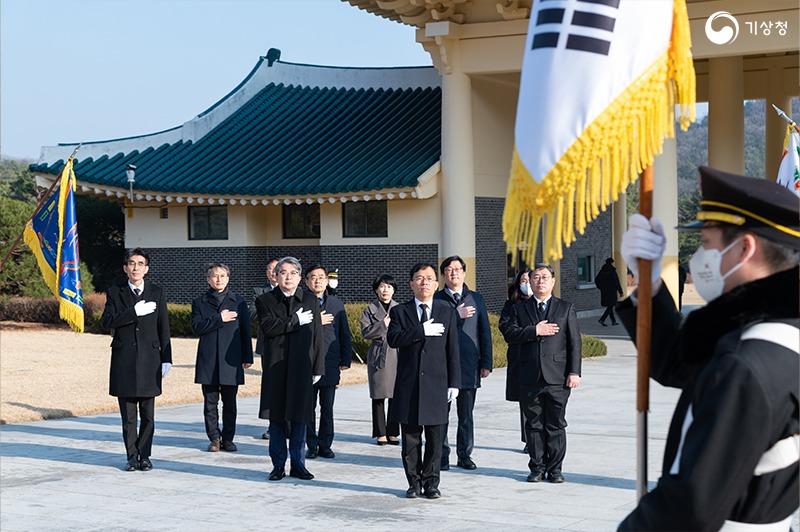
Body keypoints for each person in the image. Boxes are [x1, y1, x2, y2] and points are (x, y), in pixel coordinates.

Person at [616, 166, 799, 530]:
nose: (699, 259)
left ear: (745, 248)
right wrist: (650, 288)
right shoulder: (775, 328)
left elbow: (689, 509)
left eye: (707, 245)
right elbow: (682, 363)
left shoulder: (746, 362)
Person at [387, 262, 461, 500]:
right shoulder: (400, 312)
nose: (424, 282)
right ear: (411, 284)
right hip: (409, 386)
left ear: (436, 283)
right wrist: (421, 330)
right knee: (410, 439)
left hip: (437, 385)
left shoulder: (446, 311)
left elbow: (453, 350)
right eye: (419, 278)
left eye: (429, 278)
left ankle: (431, 483)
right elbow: (394, 339)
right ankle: (413, 482)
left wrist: (454, 383)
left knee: (435, 438)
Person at [503, 263, 581, 484]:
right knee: (534, 424)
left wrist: (574, 372)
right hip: (530, 375)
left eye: (544, 277)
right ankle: (537, 467)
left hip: (558, 377)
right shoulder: (519, 309)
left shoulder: (565, 308)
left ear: (553, 281)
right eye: (535, 277)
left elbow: (575, 343)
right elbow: (509, 333)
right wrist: (534, 331)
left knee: (556, 424)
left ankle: (555, 469)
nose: (540, 281)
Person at [100, 248, 172, 472]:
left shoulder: (157, 292)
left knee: (148, 416)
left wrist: (166, 358)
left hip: (150, 360)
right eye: (131, 263)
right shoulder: (115, 292)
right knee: (129, 416)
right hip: (125, 361)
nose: (135, 267)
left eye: (140, 263)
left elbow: (164, 327)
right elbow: (106, 321)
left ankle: (145, 455)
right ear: (125, 268)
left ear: (146, 269)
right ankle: (132, 456)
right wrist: (133, 312)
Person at [256, 256, 325, 481]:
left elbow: (317, 336)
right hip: (276, 367)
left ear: (299, 277)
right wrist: (294, 321)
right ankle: (277, 465)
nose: (288, 277)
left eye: (293, 273)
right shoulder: (265, 300)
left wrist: (318, 367)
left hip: (302, 367)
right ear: (275, 276)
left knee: (299, 418)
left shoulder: (310, 300)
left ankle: (298, 464)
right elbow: (269, 327)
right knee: (276, 419)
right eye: (283, 272)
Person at [434, 256, 492, 471]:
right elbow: (431, 327)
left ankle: (464, 455)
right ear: (443, 275)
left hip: (468, 365)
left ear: (464, 273)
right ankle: (441, 455)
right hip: (442, 365)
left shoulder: (476, 298)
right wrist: (454, 314)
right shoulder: (436, 299)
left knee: (466, 415)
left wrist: (486, 362)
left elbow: (484, 331)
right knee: (441, 414)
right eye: (449, 270)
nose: (454, 273)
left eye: (458, 269)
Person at [191, 263, 254, 452]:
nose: (218, 279)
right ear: (207, 279)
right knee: (210, 403)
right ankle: (214, 438)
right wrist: (219, 319)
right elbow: (197, 327)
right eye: (214, 276)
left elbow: (245, 330)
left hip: (231, 359)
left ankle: (228, 438)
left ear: (228, 278)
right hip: (208, 358)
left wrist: (247, 356)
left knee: (230, 402)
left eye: (222, 275)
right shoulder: (199, 302)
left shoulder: (239, 301)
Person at [304, 264, 352, 460]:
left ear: (327, 281)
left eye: (321, 277)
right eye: (313, 277)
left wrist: (346, 358)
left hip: (329, 362)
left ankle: (325, 444)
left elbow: (344, 334)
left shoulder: (336, 304)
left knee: (327, 408)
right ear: (306, 281)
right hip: (306, 362)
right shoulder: (301, 303)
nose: (317, 280)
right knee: (307, 408)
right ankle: (311, 445)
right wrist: (316, 320)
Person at [360, 274, 401, 446]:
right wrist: (383, 324)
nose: (385, 290)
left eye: (389, 287)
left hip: (397, 354)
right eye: (382, 286)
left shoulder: (400, 309)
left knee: (395, 395)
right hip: (378, 354)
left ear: (394, 290)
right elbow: (365, 332)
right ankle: (380, 432)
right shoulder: (369, 310)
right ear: (376, 290)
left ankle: (392, 432)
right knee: (378, 395)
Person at [498, 268, 532, 453]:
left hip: (543, 360)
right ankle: (529, 439)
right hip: (520, 357)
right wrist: (532, 331)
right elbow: (506, 329)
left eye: (531, 279)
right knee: (525, 400)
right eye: (524, 280)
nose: (528, 284)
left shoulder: (548, 305)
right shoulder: (511, 305)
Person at [251, 258, 279, 440]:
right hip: (268, 345)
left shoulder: (295, 292)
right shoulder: (259, 292)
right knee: (272, 386)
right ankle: (273, 425)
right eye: (270, 269)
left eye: (277, 269)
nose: (274, 272)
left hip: (289, 344)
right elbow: (252, 313)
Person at [594, 257, 624, 326]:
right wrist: (621, 292)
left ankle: (613, 321)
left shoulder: (602, 271)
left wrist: (600, 287)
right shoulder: (612, 271)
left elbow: (597, 280)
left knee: (609, 305)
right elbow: (616, 282)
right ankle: (602, 319)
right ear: (611, 263)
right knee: (611, 305)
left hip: (604, 291)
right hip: (612, 291)